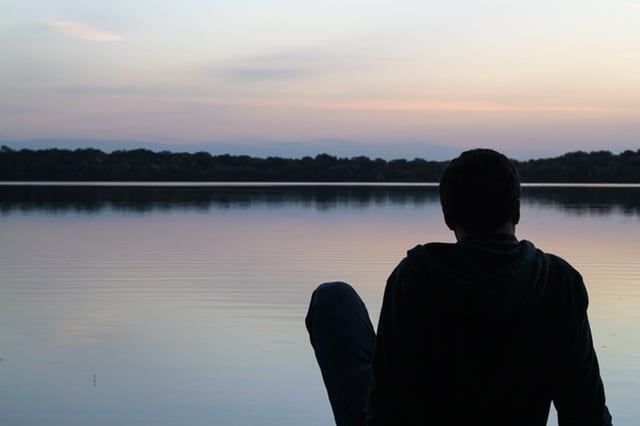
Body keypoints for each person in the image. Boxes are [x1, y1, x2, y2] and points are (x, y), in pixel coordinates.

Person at [305, 149, 612, 426]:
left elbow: (389, 404)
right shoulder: (558, 280)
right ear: (516, 211)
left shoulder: (416, 275)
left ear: (448, 217)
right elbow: (586, 413)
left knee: (333, 297)